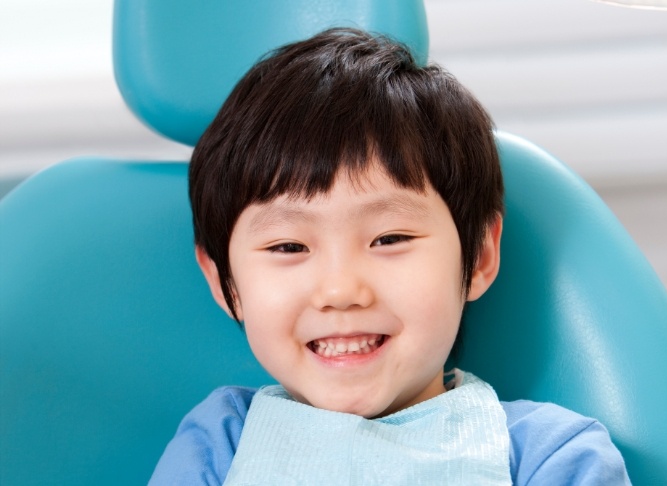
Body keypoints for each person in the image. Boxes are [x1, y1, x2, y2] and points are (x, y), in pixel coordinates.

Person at [150, 28, 630, 485]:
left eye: (389, 239)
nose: (340, 290)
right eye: (289, 247)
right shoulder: (219, 447)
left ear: (479, 255)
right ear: (224, 282)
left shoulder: (550, 456)